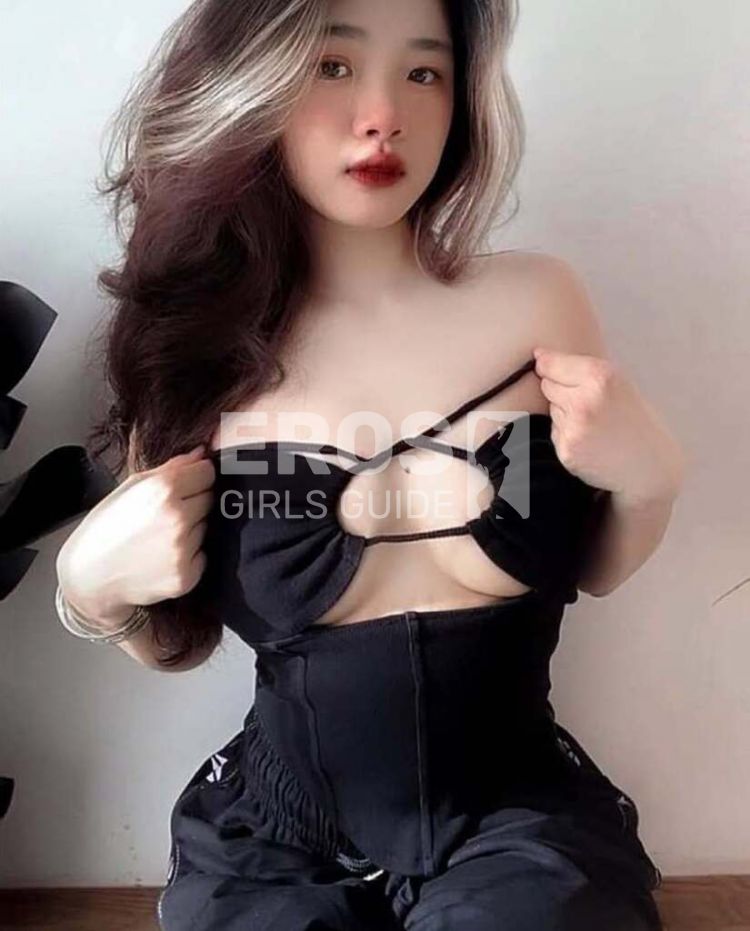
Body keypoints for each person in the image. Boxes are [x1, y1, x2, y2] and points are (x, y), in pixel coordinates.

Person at [56, 0, 685, 927]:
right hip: (276, 833)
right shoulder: (196, 344)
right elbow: (170, 640)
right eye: (333, 67)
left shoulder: (537, 303)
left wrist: (651, 478)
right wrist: (88, 587)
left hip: (519, 822)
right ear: (254, 80)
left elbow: (592, 567)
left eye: (424, 73)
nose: (384, 114)